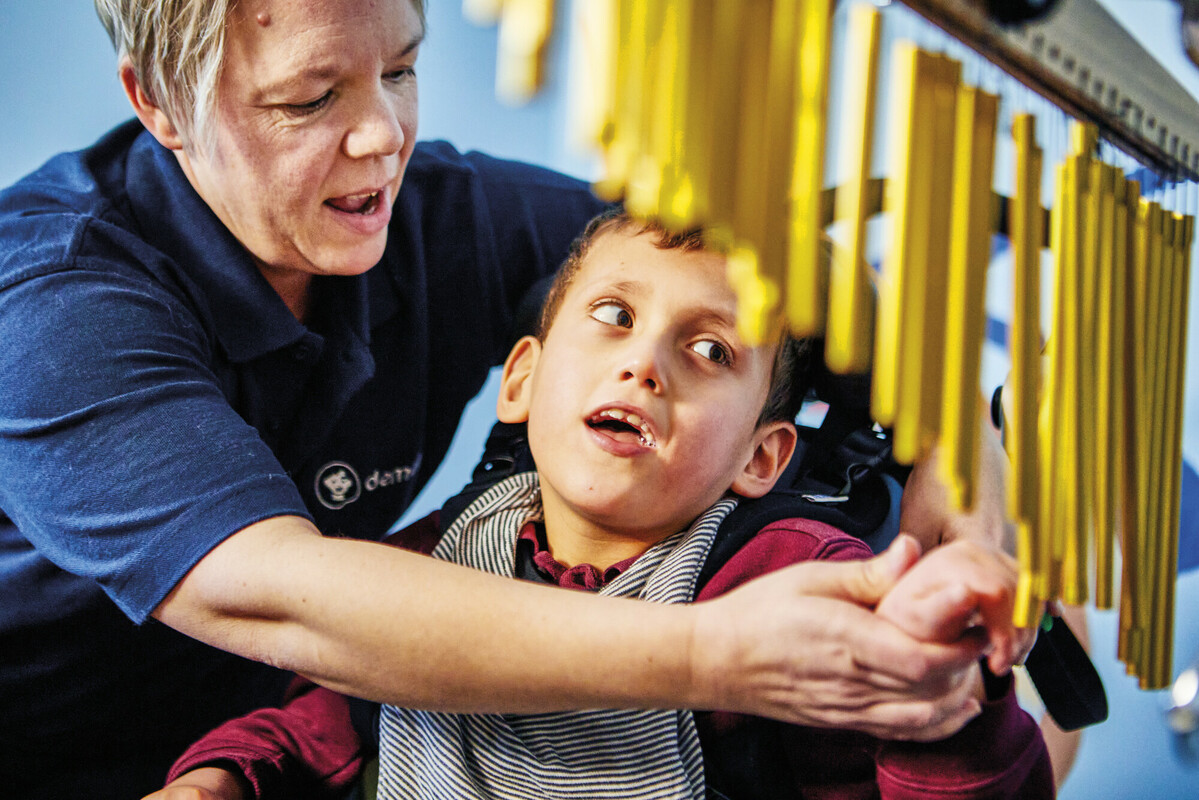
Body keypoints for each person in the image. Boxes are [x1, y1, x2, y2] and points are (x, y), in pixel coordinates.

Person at [0, 1, 1022, 797]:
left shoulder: (440, 215)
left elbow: (755, 267)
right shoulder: (54, 300)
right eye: (310, 100)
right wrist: (717, 653)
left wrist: (964, 457)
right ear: (158, 102)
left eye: (399, 70)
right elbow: (282, 596)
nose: (380, 138)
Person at [149, 210, 1051, 800]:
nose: (643, 363)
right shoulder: (436, 555)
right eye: (614, 316)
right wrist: (226, 778)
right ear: (522, 381)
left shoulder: (797, 576)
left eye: (708, 351)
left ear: (760, 456)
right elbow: (332, 724)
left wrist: (942, 691)